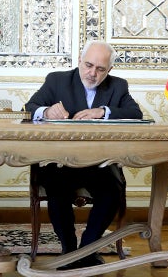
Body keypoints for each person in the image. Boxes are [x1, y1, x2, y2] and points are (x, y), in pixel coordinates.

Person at [25, 40, 142, 269]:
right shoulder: (57, 80)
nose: (92, 73)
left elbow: (135, 114)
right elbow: (30, 107)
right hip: (61, 163)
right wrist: (46, 111)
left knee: (112, 191)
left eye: (100, 69)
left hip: (100, 164)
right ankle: (69, 249)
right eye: (88, 65)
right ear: (79, 60)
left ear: (109, 70)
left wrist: (104, 112)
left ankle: (88, 249)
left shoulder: (118, 86)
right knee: (56, 189)